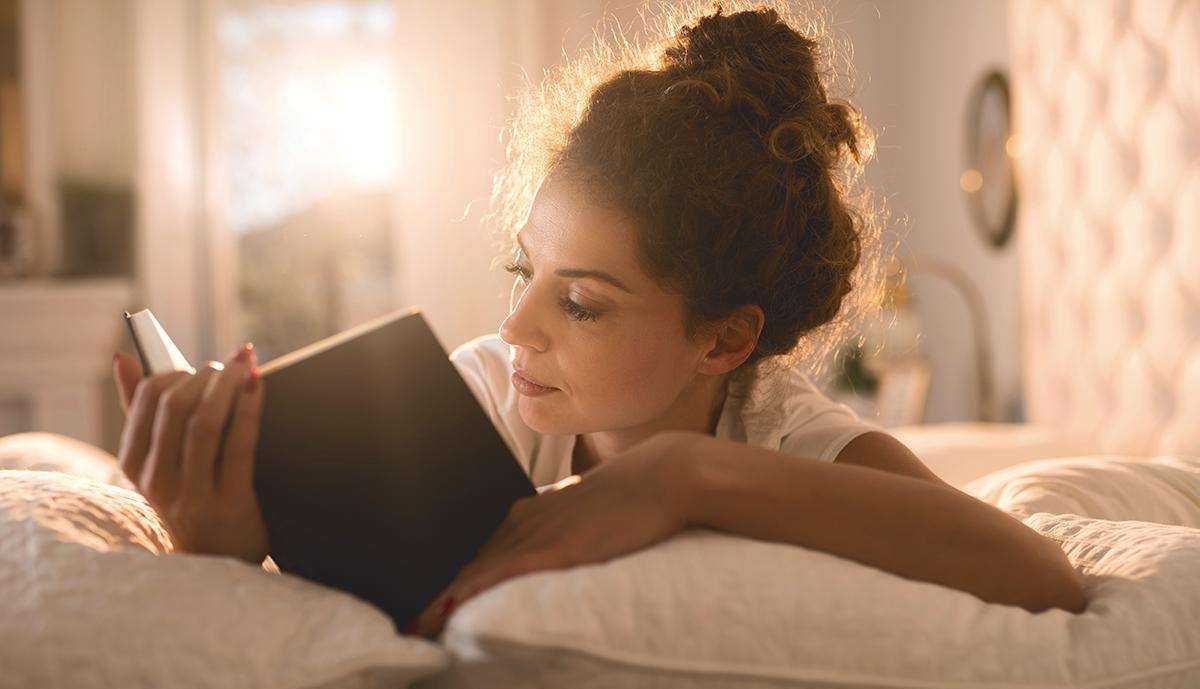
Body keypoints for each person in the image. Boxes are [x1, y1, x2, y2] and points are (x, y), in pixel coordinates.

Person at [112, 3, 1086, 638]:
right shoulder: (488, 394)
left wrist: (685, 472)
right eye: (522, 269)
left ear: (724, 341)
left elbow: (1042, 573)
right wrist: (229, 548)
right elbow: (350, 607)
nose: (517, 321)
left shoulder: (784, 436)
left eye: (579, 301)